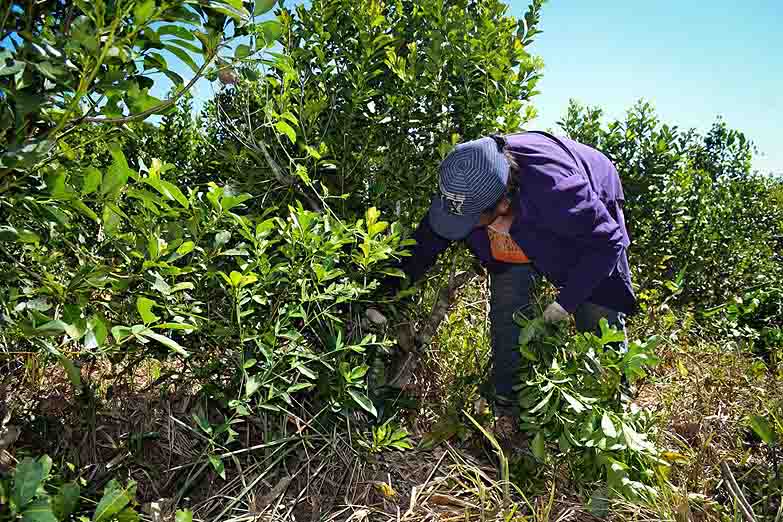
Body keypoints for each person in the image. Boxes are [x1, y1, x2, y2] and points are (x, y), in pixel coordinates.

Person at [383, 131, 637, 425]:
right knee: (508, 305)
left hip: (588, 195)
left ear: (502, 205)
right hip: (519, 211)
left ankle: (613, 409)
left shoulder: (559, 191)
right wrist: (384, 296)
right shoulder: (463, 182)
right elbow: (424, 245)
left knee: (596, 306)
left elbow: (607, 243)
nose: (460, 226)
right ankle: (507, 405)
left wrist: (565, 303)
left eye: (469, 220)